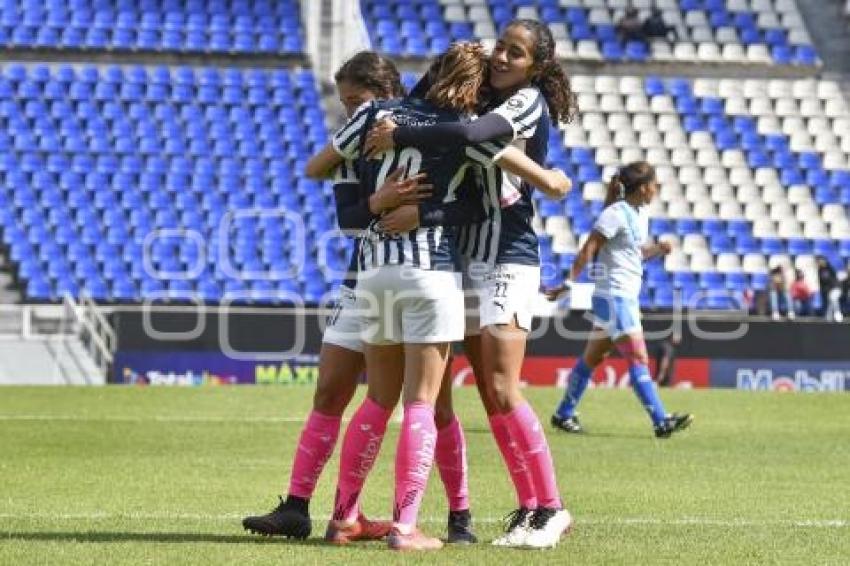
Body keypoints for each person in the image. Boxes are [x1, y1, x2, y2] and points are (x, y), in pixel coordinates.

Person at [309, 41, 571, 551]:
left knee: (464, 390)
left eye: (513, 53)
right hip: (445, 270)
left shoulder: (398, 118)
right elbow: (490, 155)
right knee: (439, 401)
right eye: (497, 52)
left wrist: (398, 200)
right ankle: (444, 519)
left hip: (477, 264)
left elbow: (324, 172)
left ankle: (540, 506)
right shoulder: (458, 129)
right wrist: (550, 180)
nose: (500, 59)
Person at [241, 51, 476, 545]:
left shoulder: (408, 129)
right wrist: (379, 201)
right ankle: (302, 507)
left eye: (357, 101)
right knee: (334, 390)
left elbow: (474, 198)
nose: (350, 112)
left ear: (386, 92)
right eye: (345, 103)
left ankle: (459, 514)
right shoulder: (356, 151)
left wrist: (422, 211)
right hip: (369, 279)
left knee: (433, 405)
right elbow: (349, 217)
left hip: (395, 276)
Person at [546, 162, 693, 439]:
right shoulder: (614, 214)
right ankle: (661, 421)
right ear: (643, 187)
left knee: (593, 357)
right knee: (638, 356)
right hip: (615, 296)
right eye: (655, 184)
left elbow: (632, 255)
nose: (657, 189)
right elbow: (590, 247)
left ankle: (563, 413)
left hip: (621, 296)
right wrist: (569, 283)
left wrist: (657, 250)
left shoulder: (640, 213)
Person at [816, 255, 842, 322]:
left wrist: (830, 289)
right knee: (831, 301)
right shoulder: (819, 271)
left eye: (821, 261)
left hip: (836, 288)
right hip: (828, 291)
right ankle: (829, 316)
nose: (819, 262)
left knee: (833, 297)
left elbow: (833, 281)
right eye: (818, 261)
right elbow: (821, 284)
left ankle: (837, 313)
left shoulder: (830, 268)